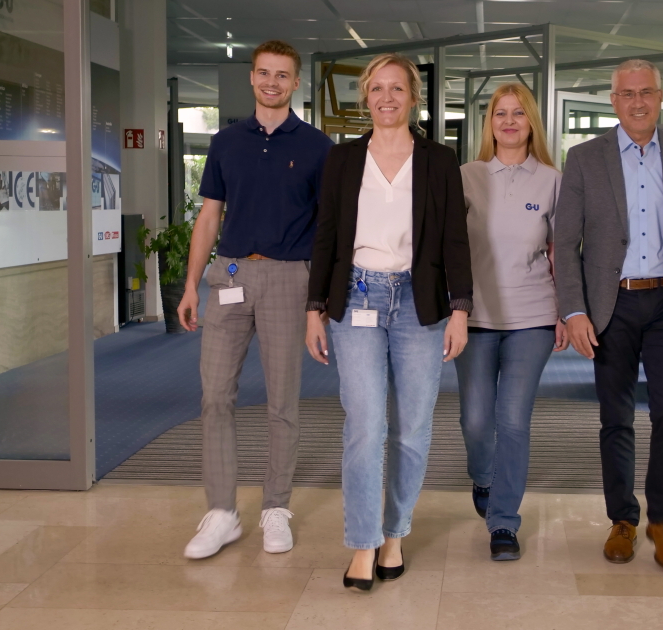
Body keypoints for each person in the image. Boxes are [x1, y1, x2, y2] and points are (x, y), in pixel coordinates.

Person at [305, 53, 471, 592]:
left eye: (397, 88)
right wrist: (313, 308)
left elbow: (455, 239)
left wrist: (461, 309)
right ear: (365, 97)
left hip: (420, 304)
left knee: (413, 427)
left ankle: (395, 533)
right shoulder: (343, 159)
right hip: (356, 296)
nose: (386, 97)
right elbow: (326, 236)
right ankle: (363, 542)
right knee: (365, 424)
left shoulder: (439, 160)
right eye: (376, 88)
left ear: (413, 97)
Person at [554, 59, 663, 569]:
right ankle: (623, 520)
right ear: (613, 101)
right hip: (613, 303)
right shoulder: (584, 158)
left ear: (660, 96)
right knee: (616, 416)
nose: (637, 102)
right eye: (627, 94)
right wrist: (574, 310)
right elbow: (565, 242)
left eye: (646, 92)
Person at [177, 40, 333, 560]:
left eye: (282, 75)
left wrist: (319, 300)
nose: (272, 82)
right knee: (214, 396)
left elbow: (328, 229)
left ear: (295, 83)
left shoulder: (317, 146)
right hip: (230, 275)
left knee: (282, 402)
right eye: (264, 73)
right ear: (251, 77)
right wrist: (191, 284)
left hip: (289, 279)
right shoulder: (226, 142)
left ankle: (275, 509)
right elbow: (209, 216)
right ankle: (222, 513)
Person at [455, 83, 568, 561]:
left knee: (514, 420)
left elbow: (561, 252)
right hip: (474, 316)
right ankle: (483, 477)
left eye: (518, 113)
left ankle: (504, 521)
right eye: (500, 113)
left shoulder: (553, 180)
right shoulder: (467, 175)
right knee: (476, 419)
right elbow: (448, 247)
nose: (509, 121)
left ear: (531, 122)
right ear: (490, 124)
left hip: (533, 316)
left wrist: (566, 312)